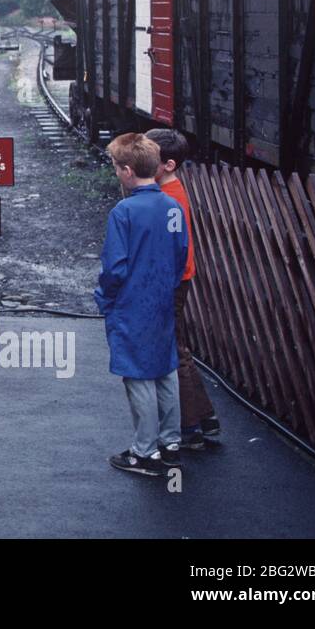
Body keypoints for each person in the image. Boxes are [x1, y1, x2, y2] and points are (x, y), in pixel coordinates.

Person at [94, 133, 188, 478]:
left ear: (128, 171)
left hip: (131, 302)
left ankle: (143, 452)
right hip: (162, 298)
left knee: (137, 374)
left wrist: (106, 297)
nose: (117, 172)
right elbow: (181, 254)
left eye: (117, 167)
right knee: (165, 368)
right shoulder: (173, 206)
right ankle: (171, 443)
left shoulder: (124, 212)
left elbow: (115, 267)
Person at [145, 128, 220, 448]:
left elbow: (166, 250)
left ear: (170, 164)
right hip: (176, 279)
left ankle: (188, 427)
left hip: (170, 282)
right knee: (179, 347)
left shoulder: (168, 199)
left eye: (151, 160)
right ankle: (204, 418)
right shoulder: (171, 192)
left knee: (173, 350)